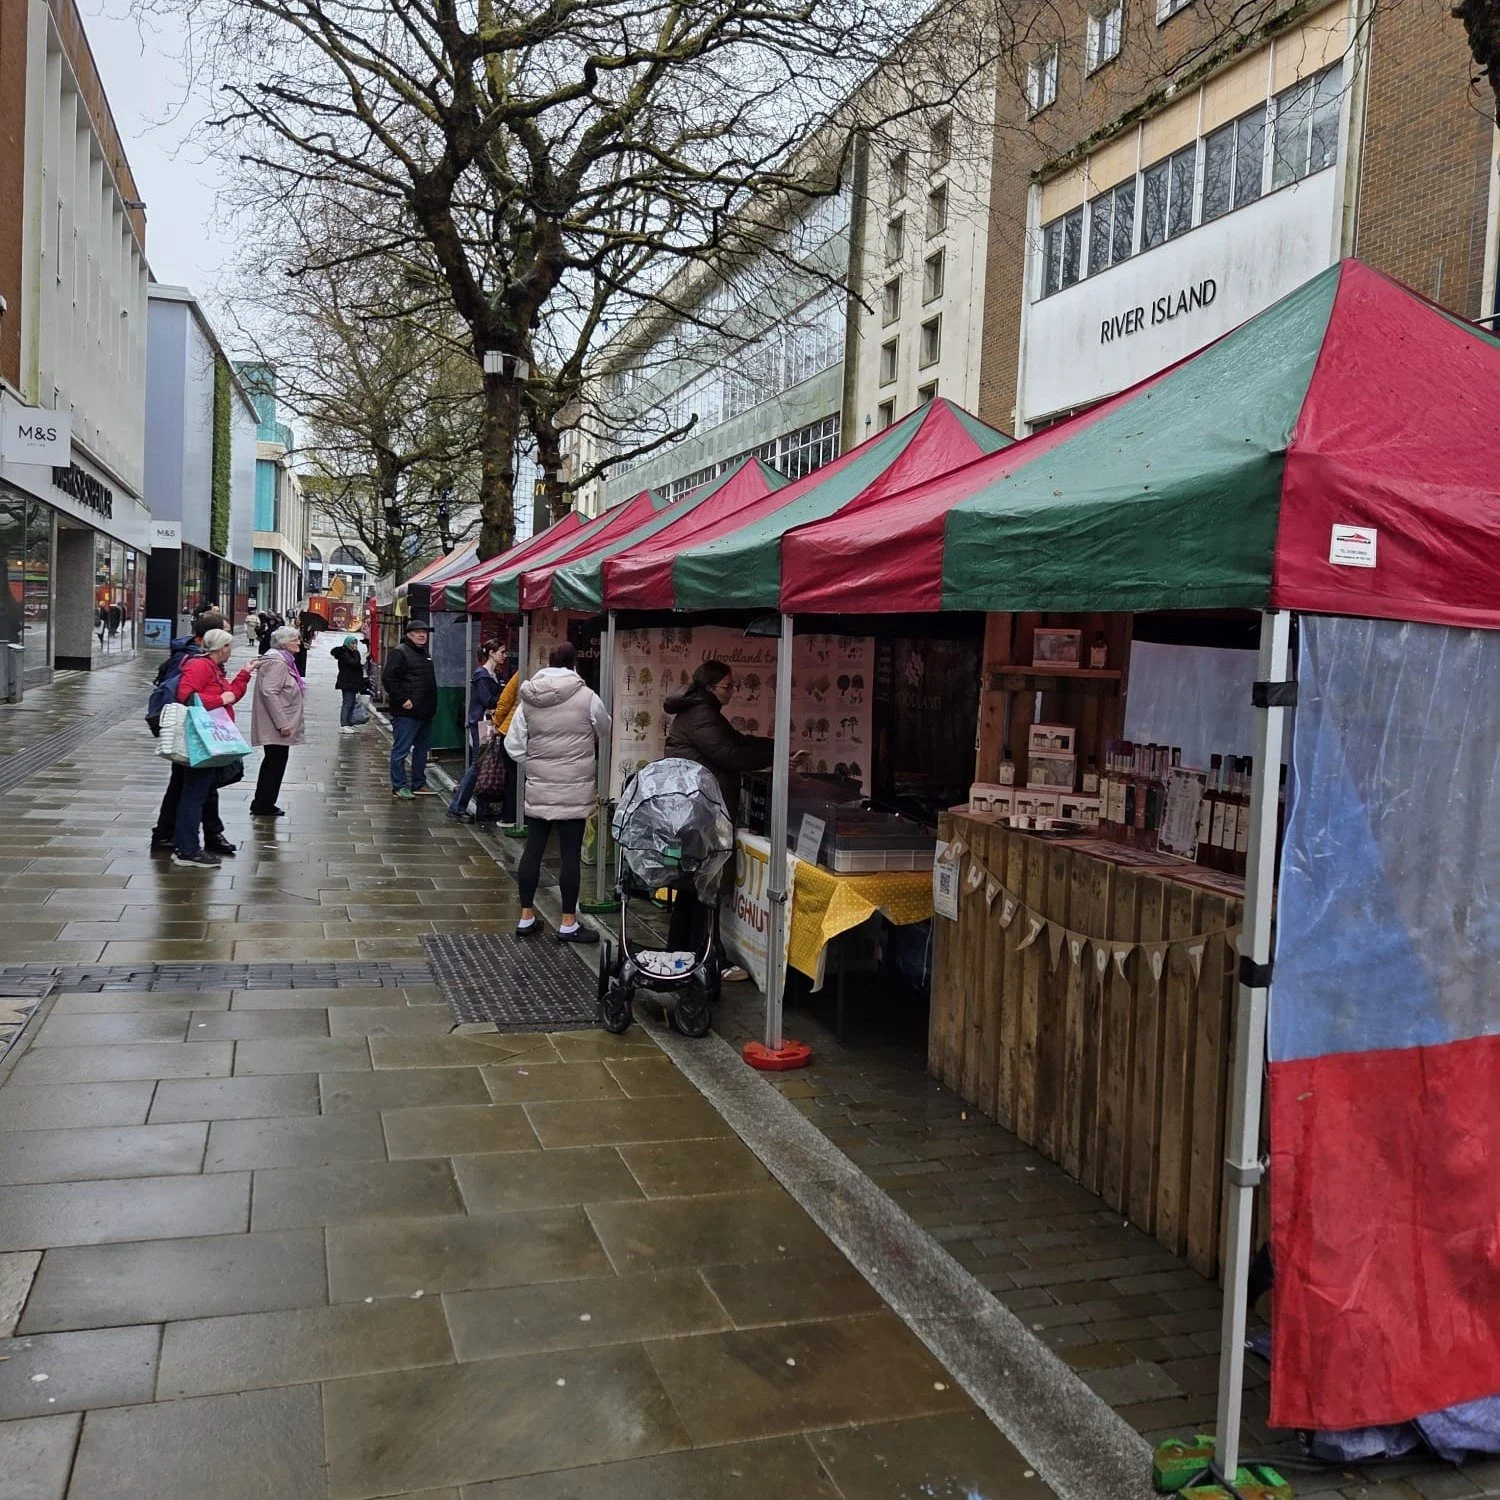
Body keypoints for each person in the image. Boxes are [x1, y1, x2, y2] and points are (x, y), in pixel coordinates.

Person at [663, 659, 797, 980]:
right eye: (728, 686)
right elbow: (731, 754)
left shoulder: (704, 713)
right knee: (703, 886)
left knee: (693, 887)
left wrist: (776, 746)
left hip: (696, 812)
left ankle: (680, 952)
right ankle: (709, 956)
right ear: (710, 687)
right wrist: (777, 754)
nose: (733, 691)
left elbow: (736, 741)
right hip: (701, 814)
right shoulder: (702, 715)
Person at [505, 642, 609, 942]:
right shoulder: (587, 697)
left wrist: (537, 763)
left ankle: (526, 917)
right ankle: (568, 923)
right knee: (569, 855)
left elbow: (512, 745)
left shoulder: (529, 699)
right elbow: (604, 728)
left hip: (539, 786)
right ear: (574, 664)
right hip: (575, 788)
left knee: (533, 850)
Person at [151, 609, 237, 858]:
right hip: (196, 733)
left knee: (190, 786)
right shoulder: (195, 661)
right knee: (194, 788)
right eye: (225, 634)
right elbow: (186, 697)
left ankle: (179, 835)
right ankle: (184, 840)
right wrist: (220, 698)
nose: (228, 642)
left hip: (201, 732)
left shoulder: (198, 659)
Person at [173, 629, 259, 867]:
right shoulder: (200, 666)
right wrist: (220, 700)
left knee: (200, 793)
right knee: (194, 794)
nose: (231, 650)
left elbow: (231, 694)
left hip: (212, 738)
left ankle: (189, 844)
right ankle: (187, 849)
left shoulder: (213, 669)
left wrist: (244, 674)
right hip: (202, 739)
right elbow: (186, 696)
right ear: (222, 648)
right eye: (229, 646)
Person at [447, 639, 509, 822]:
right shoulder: (482, 675)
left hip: (487, 724)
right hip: (481, 724)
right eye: (502, 651)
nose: (504, 655)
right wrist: (503, 697)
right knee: (477, 765)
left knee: (483, 765)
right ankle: (457, 806)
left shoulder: (493, 674)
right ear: (491, 653)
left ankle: (481, 809)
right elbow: (488, 701)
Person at [250, 624, 307, 817]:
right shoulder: (278, 662)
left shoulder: (282, 660)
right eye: (294, 639)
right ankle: (263, 803)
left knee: (274, 761)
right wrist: (282, 723)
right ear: (283, 644)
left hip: (277, 722)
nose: (299, 642)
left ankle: (264, 802)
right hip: (277, 724)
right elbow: (269, 691)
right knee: (275, 762)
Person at [382, 618, 438, 799]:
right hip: (407, 713)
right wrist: (403, 700)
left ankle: (418, 784)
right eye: (418, 632)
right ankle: (399, 786)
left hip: (425, 712)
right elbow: (389, 679)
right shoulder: (400, 653)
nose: (423, 635)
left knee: (422, 751)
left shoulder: (424, 653)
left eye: (425, 632)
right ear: (408, 634)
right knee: (401, 750)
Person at [330, 633, 366, 732]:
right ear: (347, 643)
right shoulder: (345, 654)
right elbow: (354, 663)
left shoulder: (349, 653)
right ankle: (344, 724)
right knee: (347, 703)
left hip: (352, 682)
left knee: (351, 703)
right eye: (352, 643)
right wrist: (356, 653)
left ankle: (348, 723)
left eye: (355, 643)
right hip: (347, 682)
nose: (354, 645)